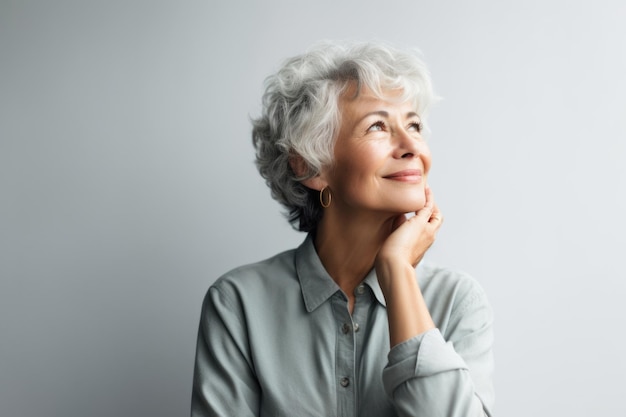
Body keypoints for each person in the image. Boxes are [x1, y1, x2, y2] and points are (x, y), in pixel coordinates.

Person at [191, 41, 494, 417]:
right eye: (378, 126)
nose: (410, 145)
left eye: (413, 124)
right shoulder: (237, 304)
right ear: (309, 167)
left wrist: (397, 270)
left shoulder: (457, 300)